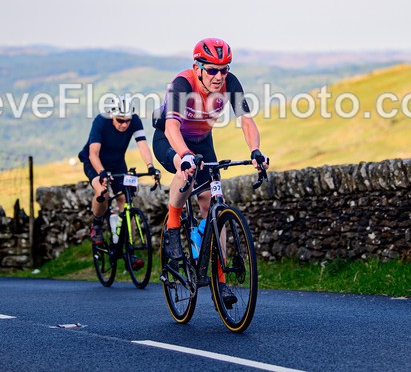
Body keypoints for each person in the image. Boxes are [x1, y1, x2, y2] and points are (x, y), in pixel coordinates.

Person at [152, 37, 269, 308]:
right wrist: (184, 156)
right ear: (198, 67)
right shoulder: (183, 84)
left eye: (224, 69)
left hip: (203, 141)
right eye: (212, 69)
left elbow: (246, 121)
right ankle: (172, 228)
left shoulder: (231, 83)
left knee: (213, 203)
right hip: (171, 139)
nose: (219, 76)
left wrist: (255, 150)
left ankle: (220, 279)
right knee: (185, 173)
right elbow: (171, 129)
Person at [78, 94, 159, 265]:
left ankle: (128, 249)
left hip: (117, 163)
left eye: (127, 121)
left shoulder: (135, 121)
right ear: (112, 116)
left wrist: (150, 166)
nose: (124, 125)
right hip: (95, 162)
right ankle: (97, 224)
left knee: (126, 199)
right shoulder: (101, 121)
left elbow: (142, 144)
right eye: (120, 120)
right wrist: (101, 173)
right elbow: (93, 153)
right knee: (103, 192)